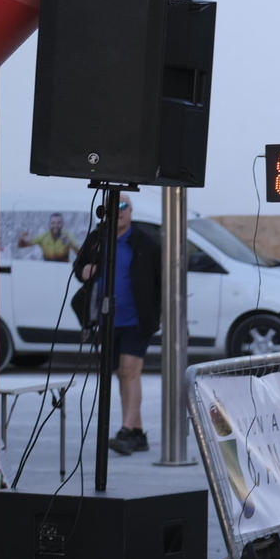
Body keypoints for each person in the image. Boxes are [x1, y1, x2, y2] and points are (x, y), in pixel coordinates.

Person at [72, 194, 160, 455]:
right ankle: (137, 433)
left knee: (130, 370)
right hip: (107, 319)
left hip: (136, 319)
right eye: (113, 206)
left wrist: (157, 312)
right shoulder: (98, 239)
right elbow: (79, 267)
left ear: (131, 211)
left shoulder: (144, 241)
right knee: (122, 373)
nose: (119, 211)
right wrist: (84, 271)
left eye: (123, 206)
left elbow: (161, 279)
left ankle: (125, 430)